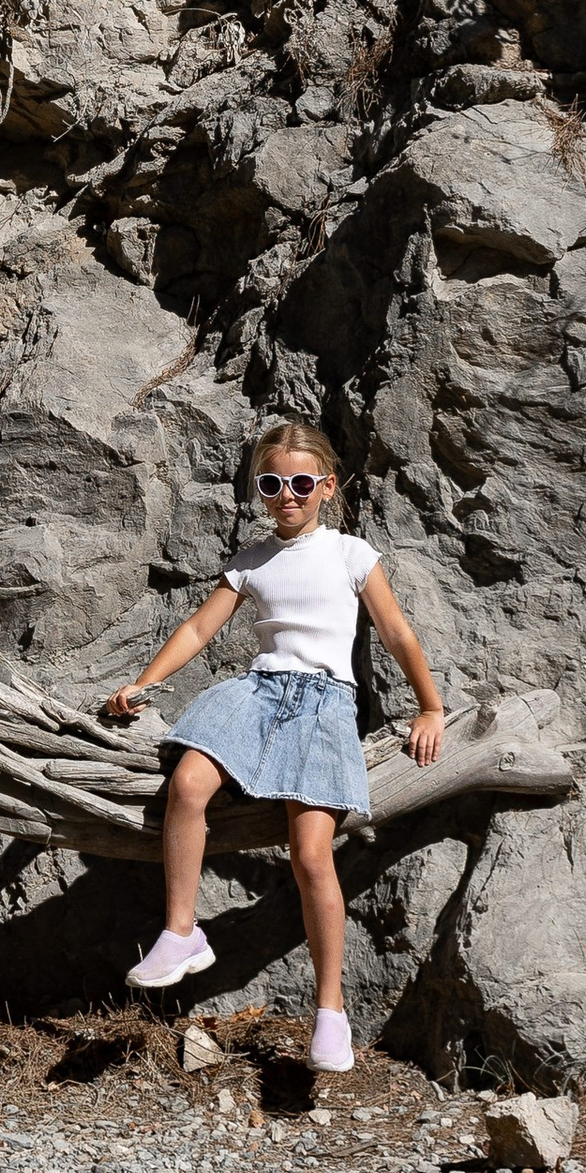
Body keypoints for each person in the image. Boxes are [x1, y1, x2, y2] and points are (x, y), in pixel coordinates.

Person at [101, 417, 445, 1072]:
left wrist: (431, 707)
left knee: (311, 854)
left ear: (325, 486)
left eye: (299, 482)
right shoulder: (251, 561)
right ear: (259, 490)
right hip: (258, 693)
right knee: (189, 783)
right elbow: (201, 628)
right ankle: (181, 931)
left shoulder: (351, 555)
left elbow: (396, 632)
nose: (286, 494)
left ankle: (331, 1011)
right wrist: (143, 682)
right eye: (271, 482)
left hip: (323, 702)